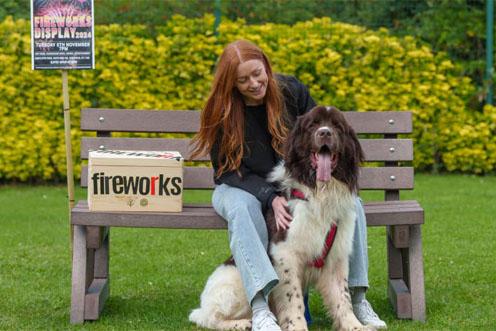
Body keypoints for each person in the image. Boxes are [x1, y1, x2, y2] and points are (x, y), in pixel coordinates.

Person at [191, 39, 386, 331]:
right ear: (231, 83)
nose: (254, 84)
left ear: (267, 67)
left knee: (352, 203)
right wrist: (269, 196)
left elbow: (316, 127)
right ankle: (260, 308)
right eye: (243, 80)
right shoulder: (223, 110)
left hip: (286, 183)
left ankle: (357, 299)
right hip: (237, 186)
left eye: (258, 74)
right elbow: (225, 172)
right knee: (244, 209)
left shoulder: (290, 90)